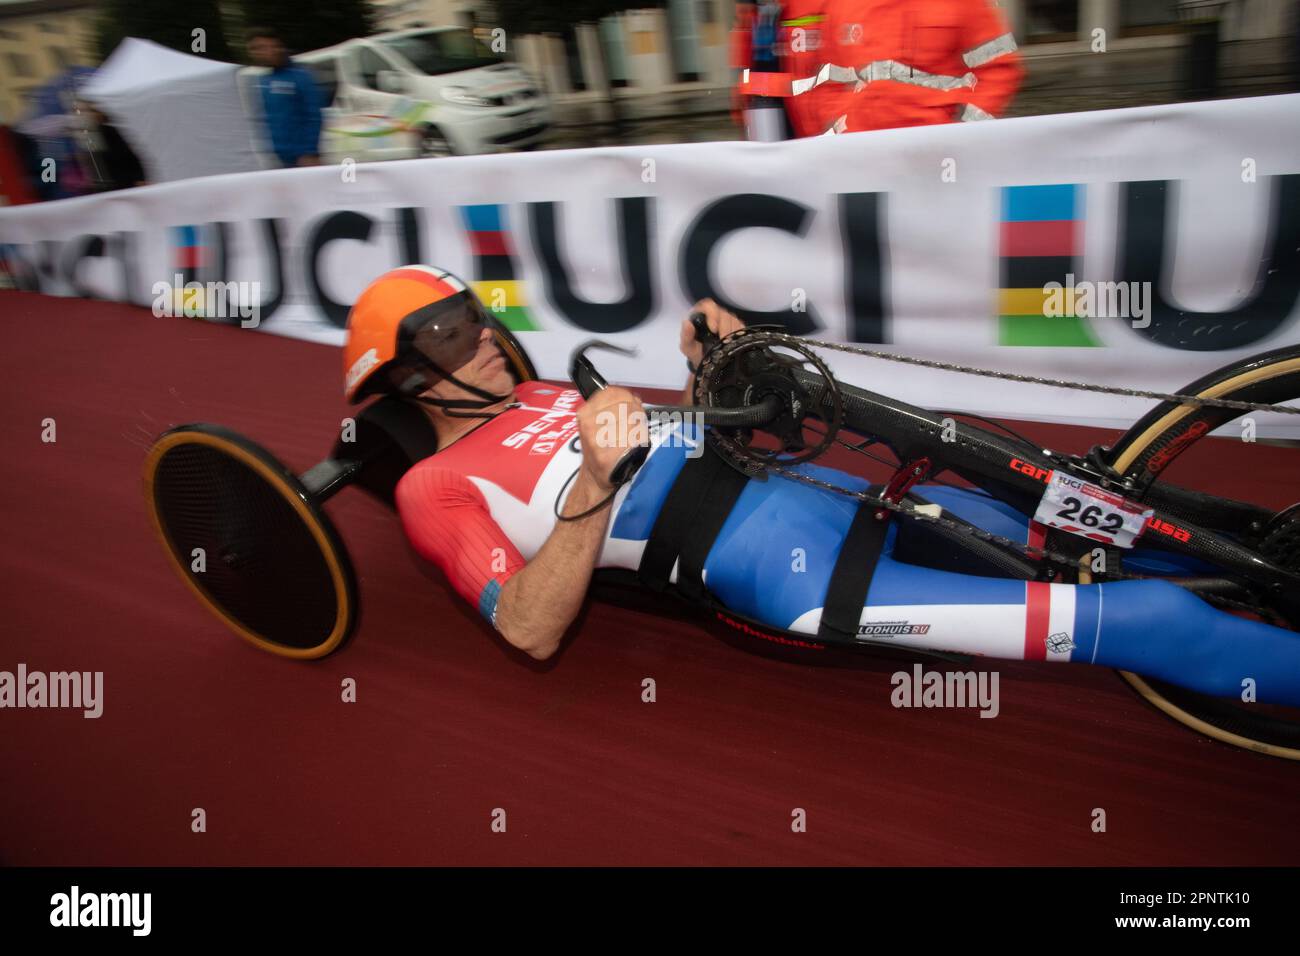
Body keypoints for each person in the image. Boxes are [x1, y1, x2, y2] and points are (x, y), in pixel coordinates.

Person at [342, 265, 1300, 707]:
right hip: (796, 580)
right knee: (1144, 627)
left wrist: (706, 367)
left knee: (1088, 529)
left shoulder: (543, 390)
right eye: (446, 336)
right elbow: (528, 629)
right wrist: (595, 475)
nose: (482, 339)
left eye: (471, 316)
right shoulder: (436, 486)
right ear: (407, 379)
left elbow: (674, 445)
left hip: (837, 495)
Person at [780, 0, 1024, 134]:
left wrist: (964, 132)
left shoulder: (963, 4)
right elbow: (828, 79)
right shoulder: (844, 5)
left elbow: (998, 69)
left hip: (936, 152)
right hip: (863, 153)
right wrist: (839, 129)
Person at [247, 27, 322, 168]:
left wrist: (309, 152)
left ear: (278, 47)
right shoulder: (262, 80)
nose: (262, 53)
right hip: (275, 158)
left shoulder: (300, 76)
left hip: (302, 158)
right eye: (256, 49)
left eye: (265, 47)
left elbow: (313, 116)